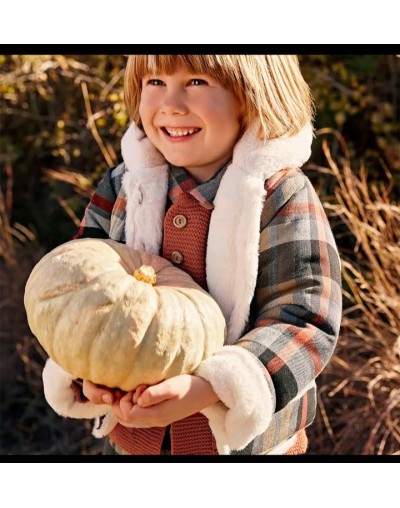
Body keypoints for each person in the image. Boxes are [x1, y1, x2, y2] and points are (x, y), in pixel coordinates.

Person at [42, 55, 342, 455]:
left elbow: (306, 319)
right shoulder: (124, 187)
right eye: (155, 82)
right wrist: (87, 371)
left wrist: (212, 387)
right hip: (134, 447)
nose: (172, 103)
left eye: (197, 82)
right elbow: (77, 293)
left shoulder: (278, 196)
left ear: (251, 96)